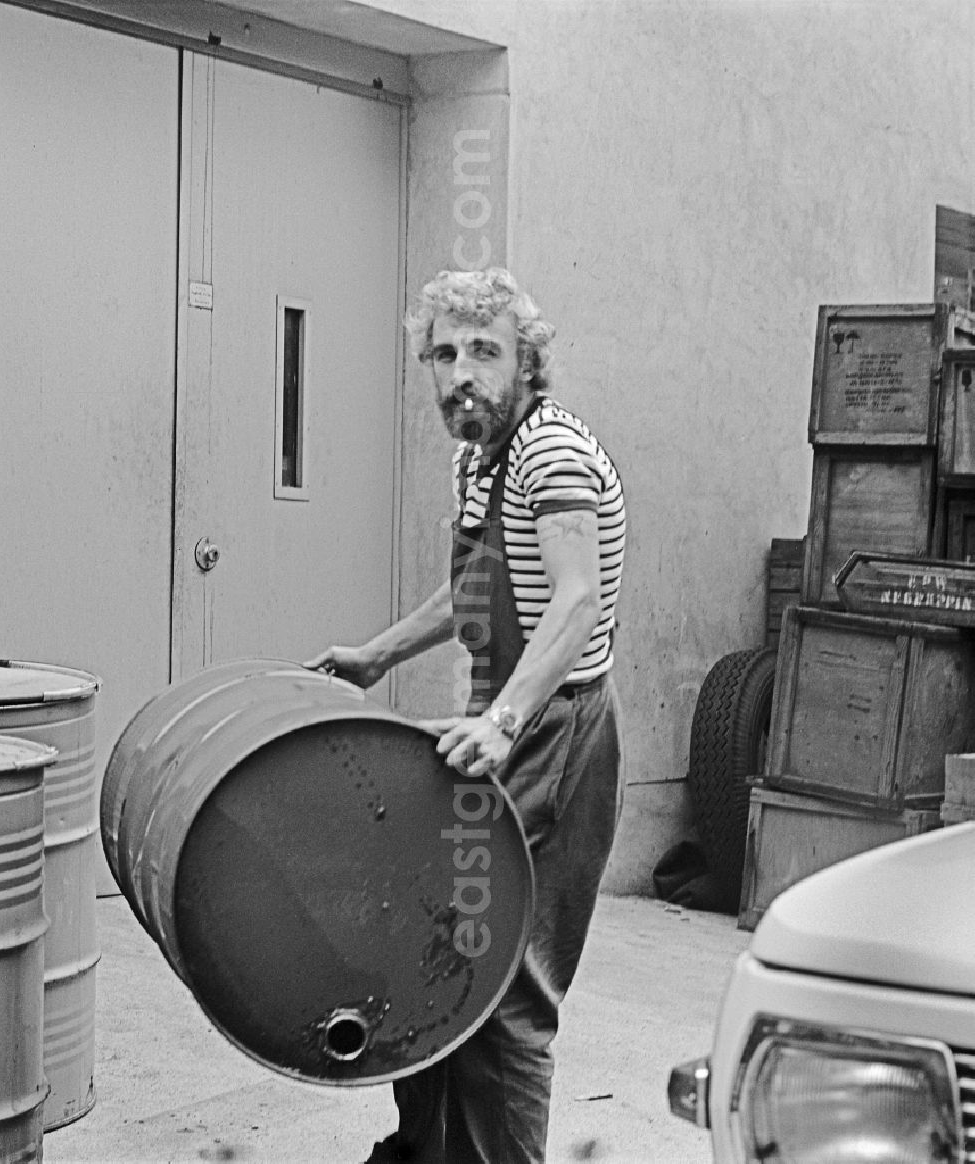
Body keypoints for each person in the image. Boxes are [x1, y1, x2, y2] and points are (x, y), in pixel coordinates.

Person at [307, 267, 626, 1163]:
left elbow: (572, 601)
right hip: (498, 727)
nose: (459, 374)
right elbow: (474, 588)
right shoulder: (480, 456)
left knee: (508, 998)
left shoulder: (549, 452)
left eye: (483, 351)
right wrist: (379, 654)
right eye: (442, 354)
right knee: (436, 957)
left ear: (529, 361)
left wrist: (505, 722)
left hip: (554, 734)